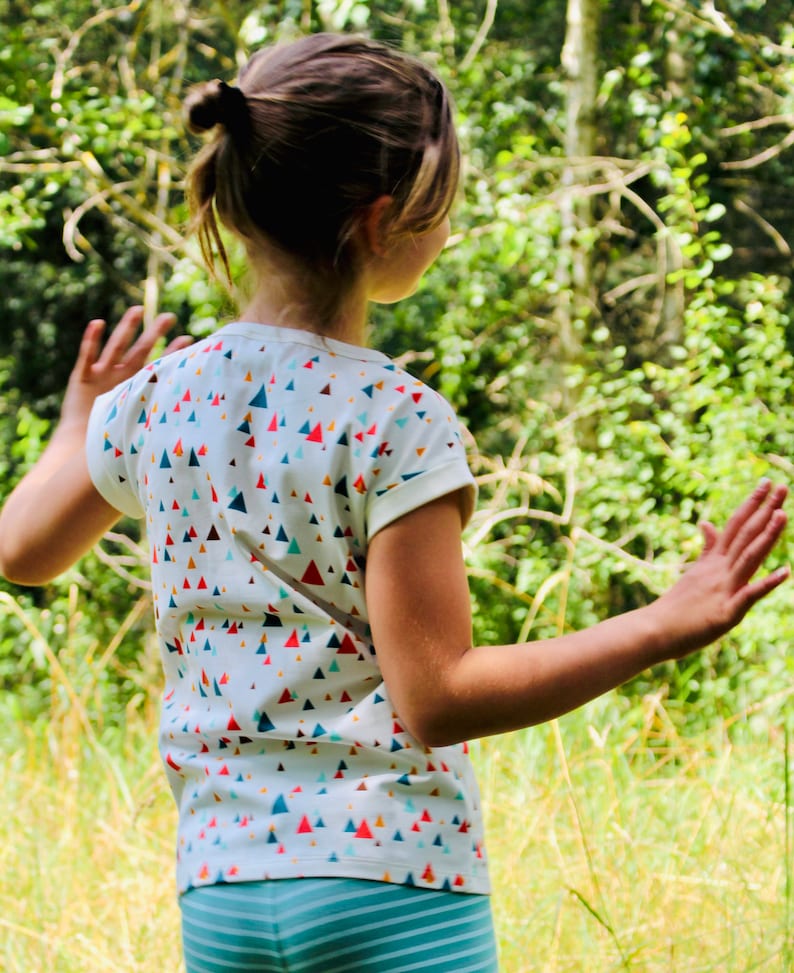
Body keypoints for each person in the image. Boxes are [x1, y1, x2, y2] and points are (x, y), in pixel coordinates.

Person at [0, 32, 788, 973]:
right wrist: (664, 622)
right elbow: (440, 695)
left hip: (222, 892)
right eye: (442, 207)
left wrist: (77, 421)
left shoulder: (158, 400)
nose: (448, 228)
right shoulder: (394, 415)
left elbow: (24, 552)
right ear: (381, 222)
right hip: (393, 881)